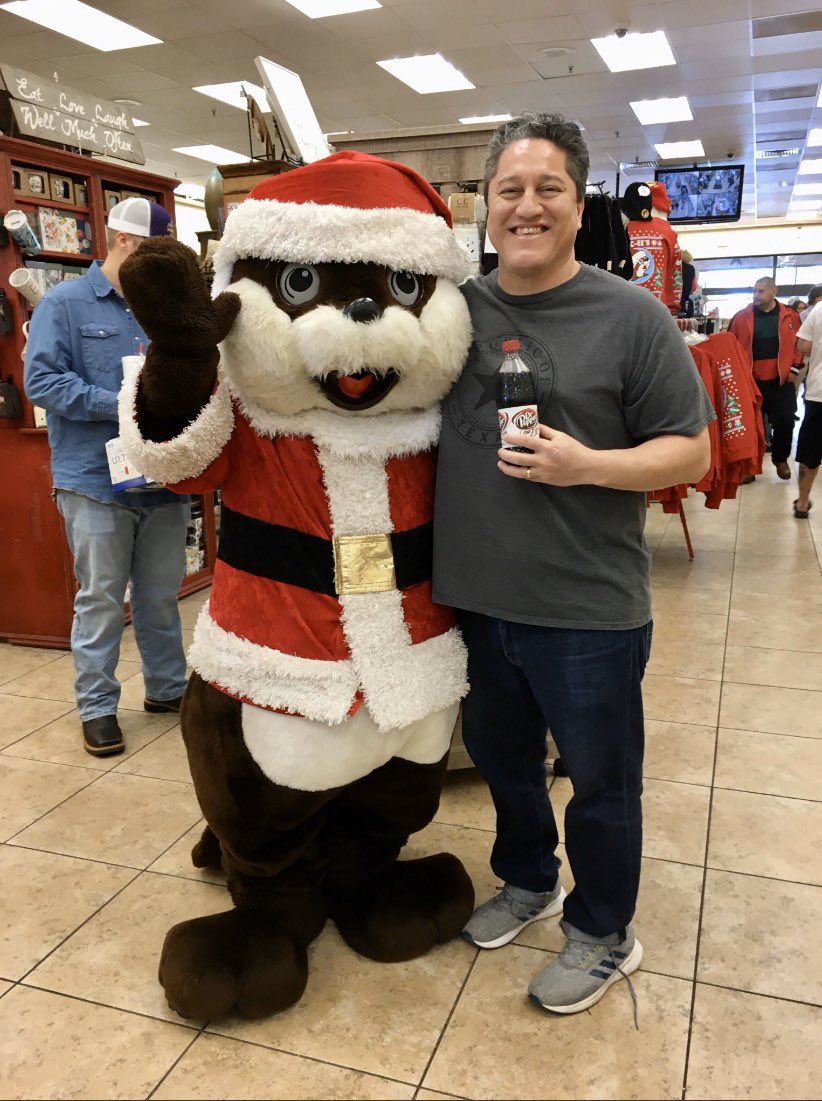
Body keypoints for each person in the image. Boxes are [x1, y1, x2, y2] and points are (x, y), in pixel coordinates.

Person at [433, 112, 713, 1017]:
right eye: (508, 189)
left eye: (547, 188)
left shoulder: (630, 315)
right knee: (502, 760)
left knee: (600, 781)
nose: (526, 206)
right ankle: (527, 879)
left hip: (588, 608)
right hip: (476, 599)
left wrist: (586, 463)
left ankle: (603, 930)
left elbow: (693, 453)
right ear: (485, 205)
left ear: (577, 201)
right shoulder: (451, 312)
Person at [24, 197, 191, 758]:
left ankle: (167, 690)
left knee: (160, 594)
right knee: (99, 599)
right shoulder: (63, 305)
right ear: (124, 242)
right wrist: (123, 403)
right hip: (94, 479)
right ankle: (97, 707)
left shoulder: (160, 308)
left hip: (162, 475)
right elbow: (41, 383)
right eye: (152, 254)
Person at [729, 277, 802, 481]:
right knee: (751, 425)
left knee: (786, 420)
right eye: (754, 291)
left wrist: (794, 369)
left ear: (773, 291)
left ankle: (780, 459)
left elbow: (800, 343)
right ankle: (750, 466)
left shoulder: (790, 316)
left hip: (781, 380)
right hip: (751, 380)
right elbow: (731, 346)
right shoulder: (742, 317)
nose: (756, 295)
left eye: (761, 291)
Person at [794, 301, 822, 518]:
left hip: (820, 391)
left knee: (811, 451)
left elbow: (802, 346)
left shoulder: (820, 309)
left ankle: (802, 503)